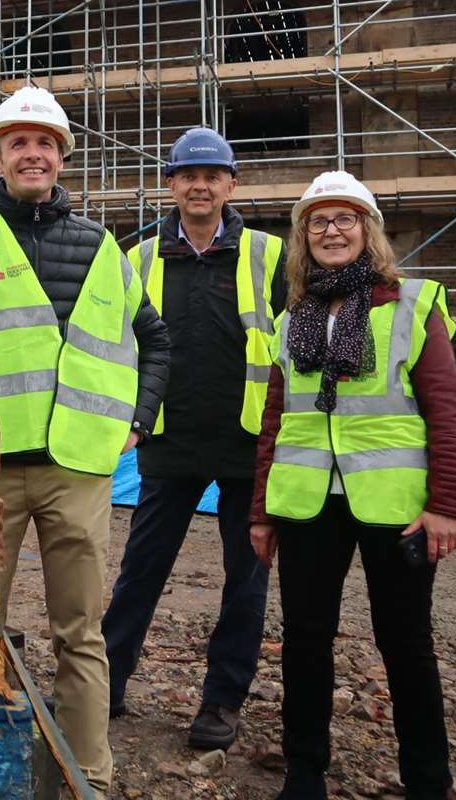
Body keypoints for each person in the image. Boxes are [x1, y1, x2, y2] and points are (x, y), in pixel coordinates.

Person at [0, 85, 171, 794]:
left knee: (80, 633)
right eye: (19, 141)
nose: (33, 153)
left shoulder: (101, 245)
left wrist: (137, 420)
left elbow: (155, 341)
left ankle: (89, 774)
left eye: (45, 143)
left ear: (61, 158)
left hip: (78, 469)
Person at [249, 171, 456, 800]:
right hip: (309, 502)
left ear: (368, 231)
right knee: (305, 642)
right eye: (318, 221)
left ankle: (427, 780)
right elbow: (275, 420)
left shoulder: (413, 304)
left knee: (406, 645)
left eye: (345, 218)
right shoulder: (292, 319)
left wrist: (446, 507)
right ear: (303, 239)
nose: (331, 230)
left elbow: (447, 412)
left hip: (393, 506)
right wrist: (261, 513)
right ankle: (304, 773)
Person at [103, 127, 285, 751]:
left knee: (247, 580)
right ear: (172, 184)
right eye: (187, 175)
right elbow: (116, 348)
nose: (199, 185)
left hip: (248, 447)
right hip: (169, 442)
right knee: (139, 570)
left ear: (232, 185)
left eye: (212, 176)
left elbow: (298, 345)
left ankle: (222, 700)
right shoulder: (138, 257)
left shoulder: (269, 255)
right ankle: (108, 682)